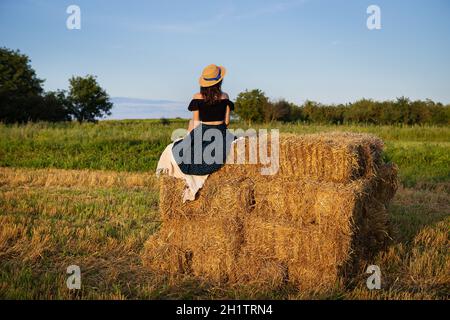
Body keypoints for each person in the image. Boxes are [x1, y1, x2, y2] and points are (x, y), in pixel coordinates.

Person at [172, 64, 236, 175]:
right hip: (221, 132)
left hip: (203, 131)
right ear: (219, 81)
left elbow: (195, 122)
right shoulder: (225, 97)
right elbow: (227, 122)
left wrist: (189, 137)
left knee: (181, 150)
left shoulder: (197, 97)